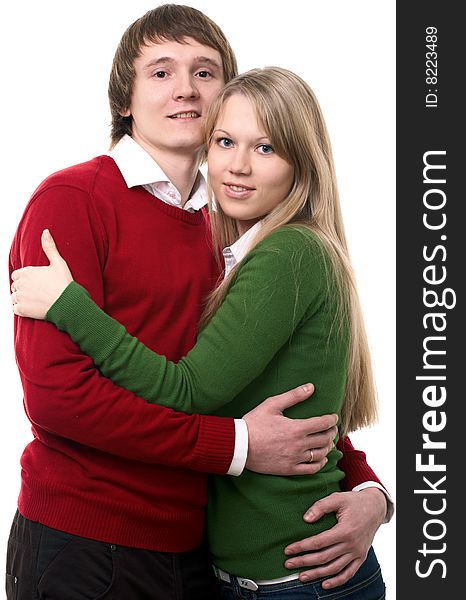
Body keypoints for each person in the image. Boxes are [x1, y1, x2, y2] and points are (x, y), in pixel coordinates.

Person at [7, 5, 391, 599]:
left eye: (205, 72)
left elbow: (280, 392)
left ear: (228, 98)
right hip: (88, 542)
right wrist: (234, 446)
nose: (185, 88)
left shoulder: (237, 228)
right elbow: (59, 399)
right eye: (161, 72)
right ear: (124, 100)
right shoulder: (69, 201)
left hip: (201, 554)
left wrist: (371, 493)